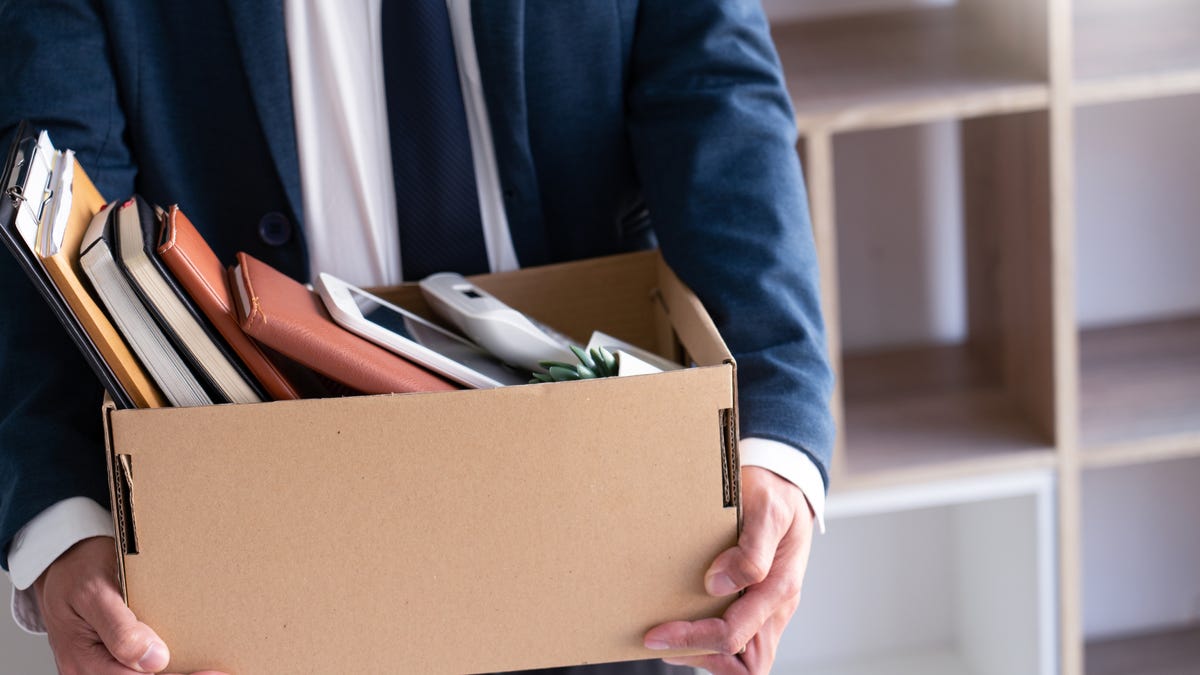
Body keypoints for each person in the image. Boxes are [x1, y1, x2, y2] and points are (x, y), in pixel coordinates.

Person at [0, 1, 835, 674]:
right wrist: (67, 525)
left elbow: (717, 100)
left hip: (591, 513)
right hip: (252, 553)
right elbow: (45, 183)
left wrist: (774, 438)